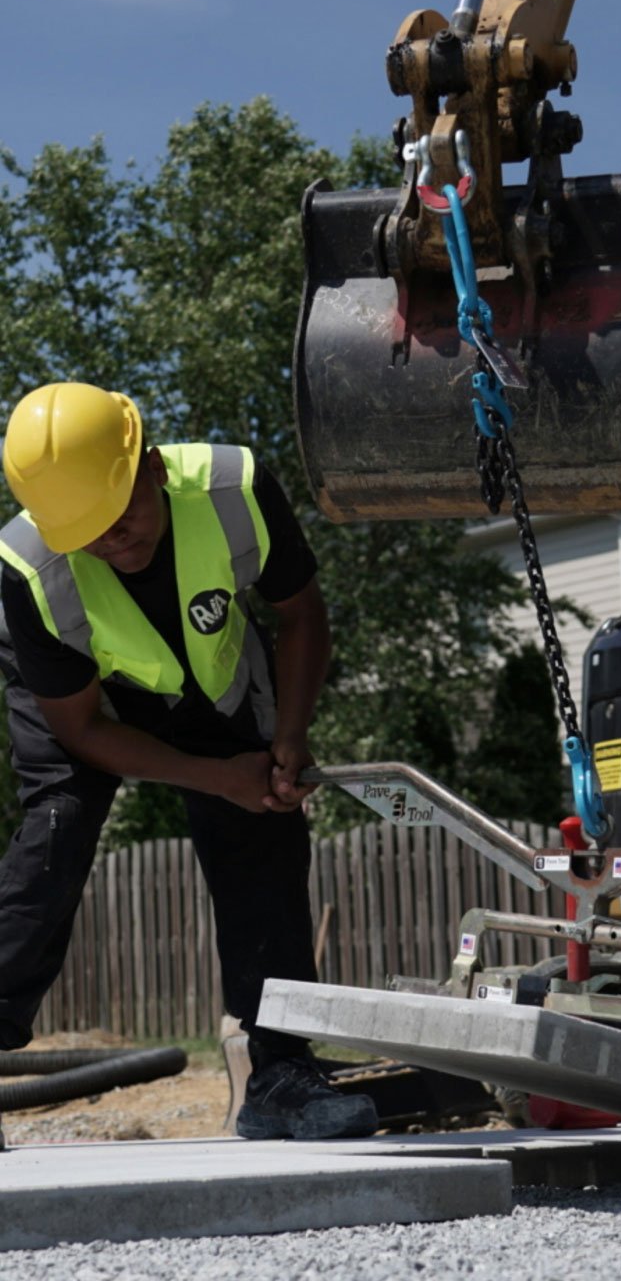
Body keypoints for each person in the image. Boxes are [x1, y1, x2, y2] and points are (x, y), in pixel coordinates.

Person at [0, 382, 377, 1147]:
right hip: (81, 693)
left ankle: (280, 1074)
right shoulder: (30, 571)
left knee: (263, 825)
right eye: (89, 531)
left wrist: (289, 740)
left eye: (123, 515)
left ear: (152, 464)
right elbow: (81, 729)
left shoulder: (234, 489)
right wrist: (211, 777)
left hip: (212, 674)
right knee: (57, 829)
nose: (112, 540)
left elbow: (299, 611)